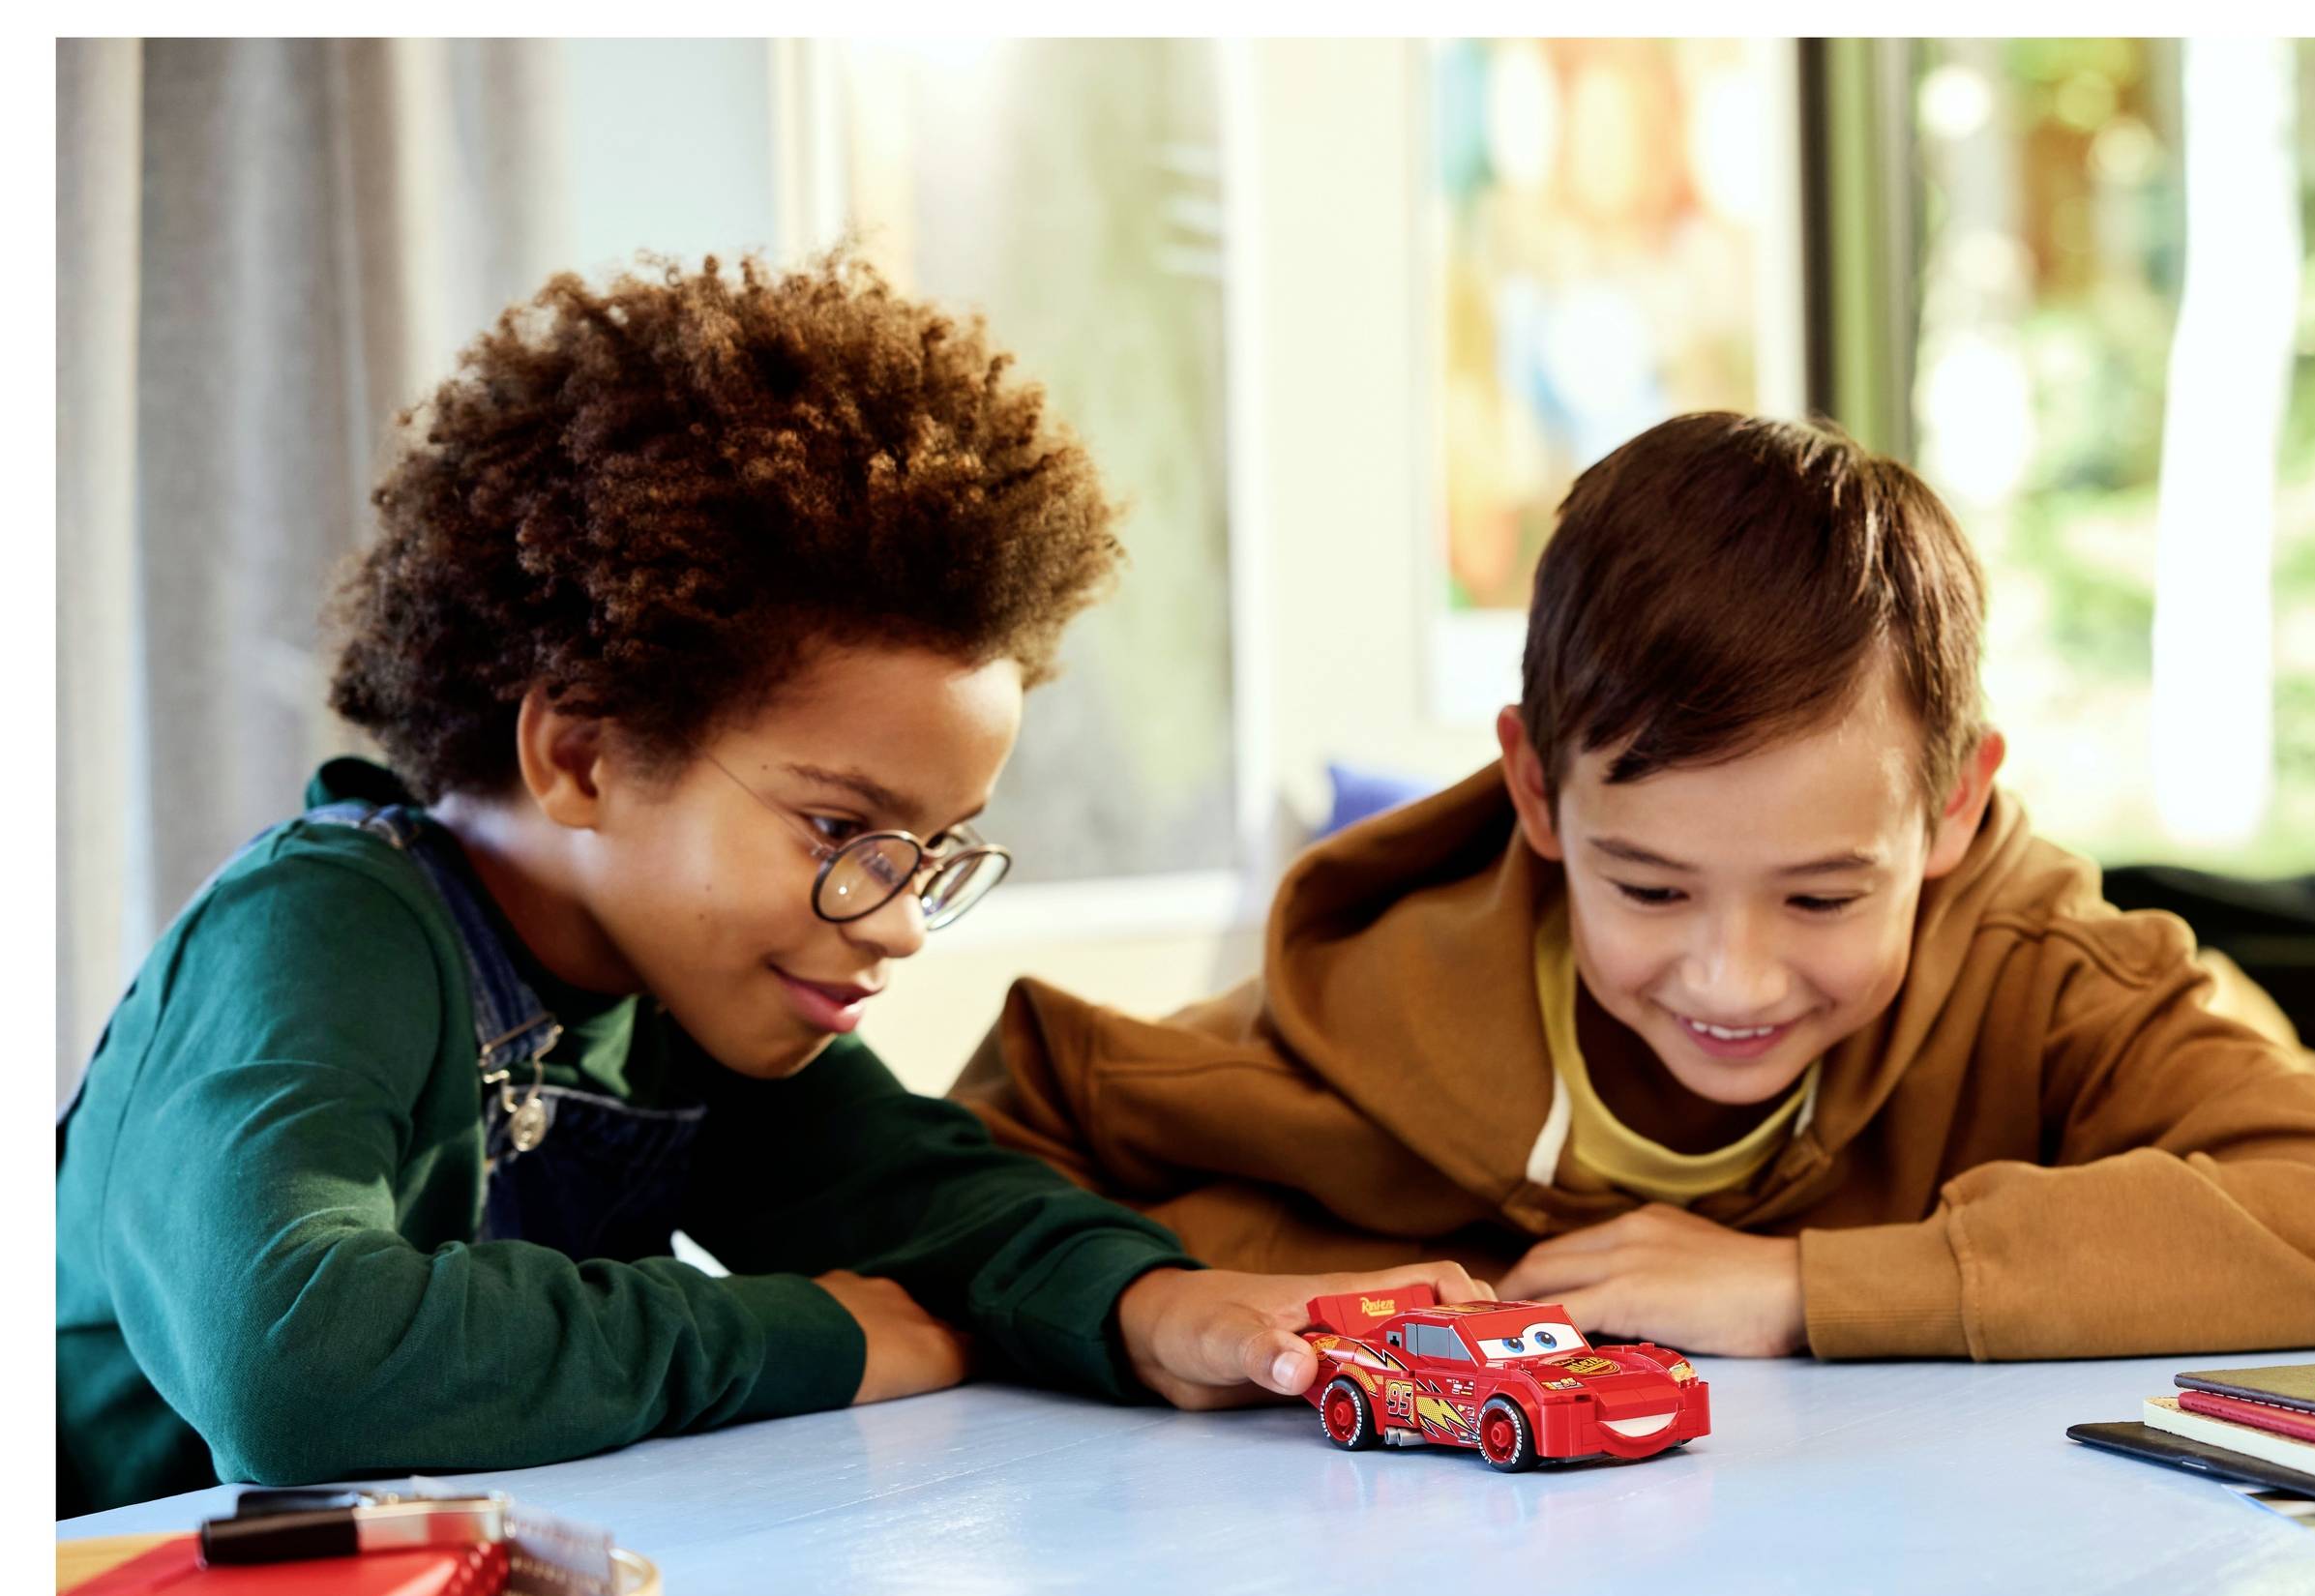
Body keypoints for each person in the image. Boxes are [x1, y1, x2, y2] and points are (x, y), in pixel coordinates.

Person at [55, 251, 1472, 1519]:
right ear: (583, 751)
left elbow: (922, 1200)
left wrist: (1156, 1304)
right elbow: (299, 1365)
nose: (902, 922)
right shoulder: (319, 931)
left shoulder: (681, 992)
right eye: (842, 829)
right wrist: (814, 1335)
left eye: (928, 850)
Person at [961, 411, 2315, 1363]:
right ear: (1539, 794)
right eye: (1654, 890)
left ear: (1954, 804)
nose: (1735, 979)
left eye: (1821, 899)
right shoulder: (1377, 995)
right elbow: (987, 1154)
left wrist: (1808, 1287)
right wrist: (1170, 1301)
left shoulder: (2049, 972)